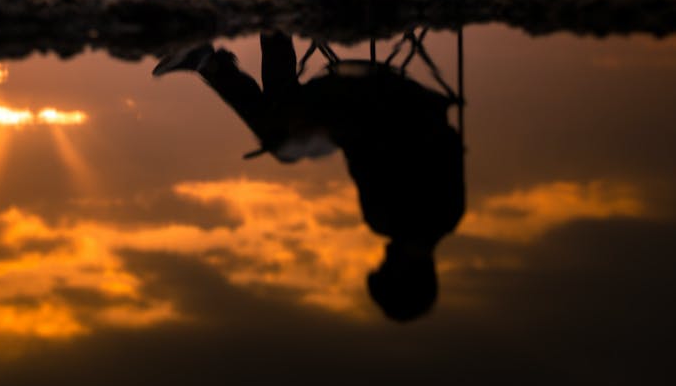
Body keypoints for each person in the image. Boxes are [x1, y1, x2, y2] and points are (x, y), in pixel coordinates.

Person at [153, 33, 466, 321]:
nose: (383, 257)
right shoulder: (389, 219)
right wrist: (327, 130)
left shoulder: (446, 214)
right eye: (386, 267)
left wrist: (327, 132)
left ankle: (235, 49)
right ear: (406, 273)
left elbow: (399, 145)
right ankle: (216, 58)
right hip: (375, 100)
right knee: (280, 130)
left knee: (283, 136)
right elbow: (374, 146)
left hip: (394, 101)